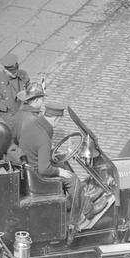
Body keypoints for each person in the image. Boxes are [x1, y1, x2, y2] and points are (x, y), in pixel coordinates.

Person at [19, 97, 110, 231]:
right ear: (55, 119)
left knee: (63, 160)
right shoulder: (43, 137)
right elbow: (44, 169)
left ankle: (83, 195)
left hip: (30, 165)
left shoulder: (32, 124)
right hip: (38, 174)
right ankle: (89, 210)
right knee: (70, 178)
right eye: (59, 119)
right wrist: (58, 172)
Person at [0, 54, 30, 120]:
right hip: (8, 116)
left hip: (23, 113)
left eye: (16, 71)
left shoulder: (23, 74)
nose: (15, 74)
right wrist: (7, 104)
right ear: (5, 70)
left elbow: (29, 88)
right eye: (12, 72)